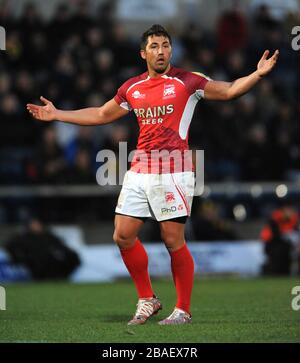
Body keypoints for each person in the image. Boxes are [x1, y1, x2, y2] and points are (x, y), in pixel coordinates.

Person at [27, 24, 279, 325]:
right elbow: (101, 114)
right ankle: (148, 299)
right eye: (155, 46)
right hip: (140, 169)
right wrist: (58, 115)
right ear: (143, 53)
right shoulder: (132, 87)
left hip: (174, 169)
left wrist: (256, 75)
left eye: (166, 45)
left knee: (172, 239)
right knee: (122, 235)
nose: (161, 51)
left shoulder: (188, 81)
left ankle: (182, 310)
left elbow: (228, 91)